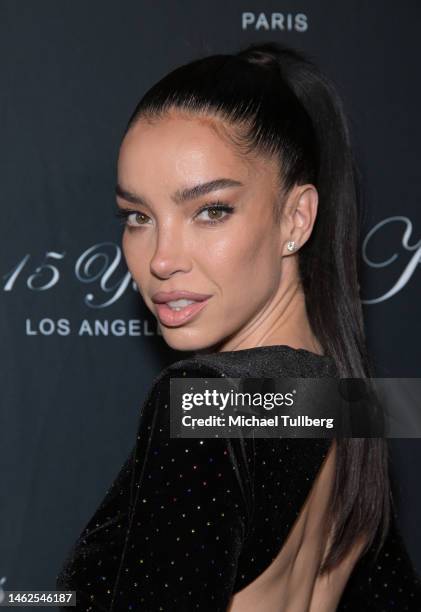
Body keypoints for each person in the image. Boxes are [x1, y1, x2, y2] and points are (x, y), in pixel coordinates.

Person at [56, 41, 421, 611]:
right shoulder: (352, 403)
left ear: (295, 218)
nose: (161, 258)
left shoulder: (206, 404)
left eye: (211, 210)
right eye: (138, 216)